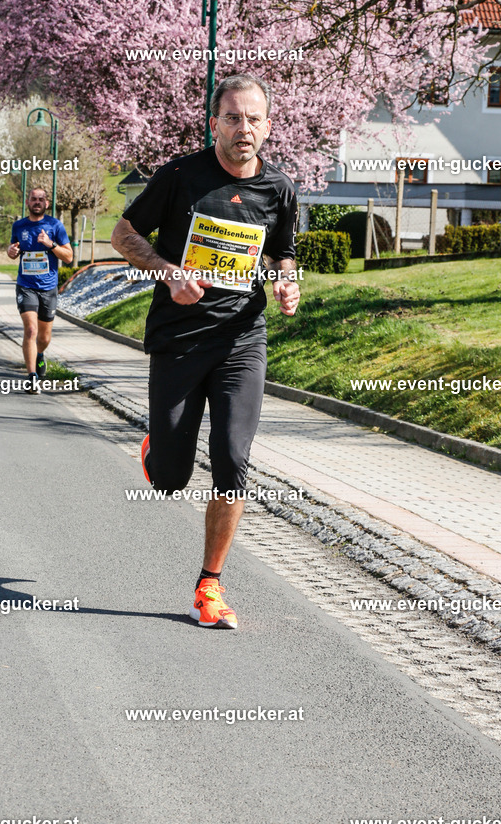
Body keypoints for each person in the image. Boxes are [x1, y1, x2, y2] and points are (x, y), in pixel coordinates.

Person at [111, 74, 300, 629]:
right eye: (234, 118)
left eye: (255, 119)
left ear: (268, 125)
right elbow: (125, 233)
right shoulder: (180, 175)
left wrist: (288, 284)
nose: (245, 129)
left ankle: (209, 585)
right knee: (170, 477)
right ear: (214, 123)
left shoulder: (279, 189)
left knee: (233, 460)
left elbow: (283, 255)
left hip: (242, 338)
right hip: (179, 338)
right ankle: (157, 449)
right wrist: (168, 273)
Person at [7, 186, 72, 392]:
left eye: (41, 199)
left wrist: (50, 244)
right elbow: (13, 251)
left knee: (44, 338)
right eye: (33, 199)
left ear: (46, 203)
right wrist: (11, 251)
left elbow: (69, 257)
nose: (37, 202)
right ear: (28, 202)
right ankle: (32, 376)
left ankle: (39, 354)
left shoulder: (55, 225)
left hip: (48, 287)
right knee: (31, 330)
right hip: (26, 286)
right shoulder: (19, 226)